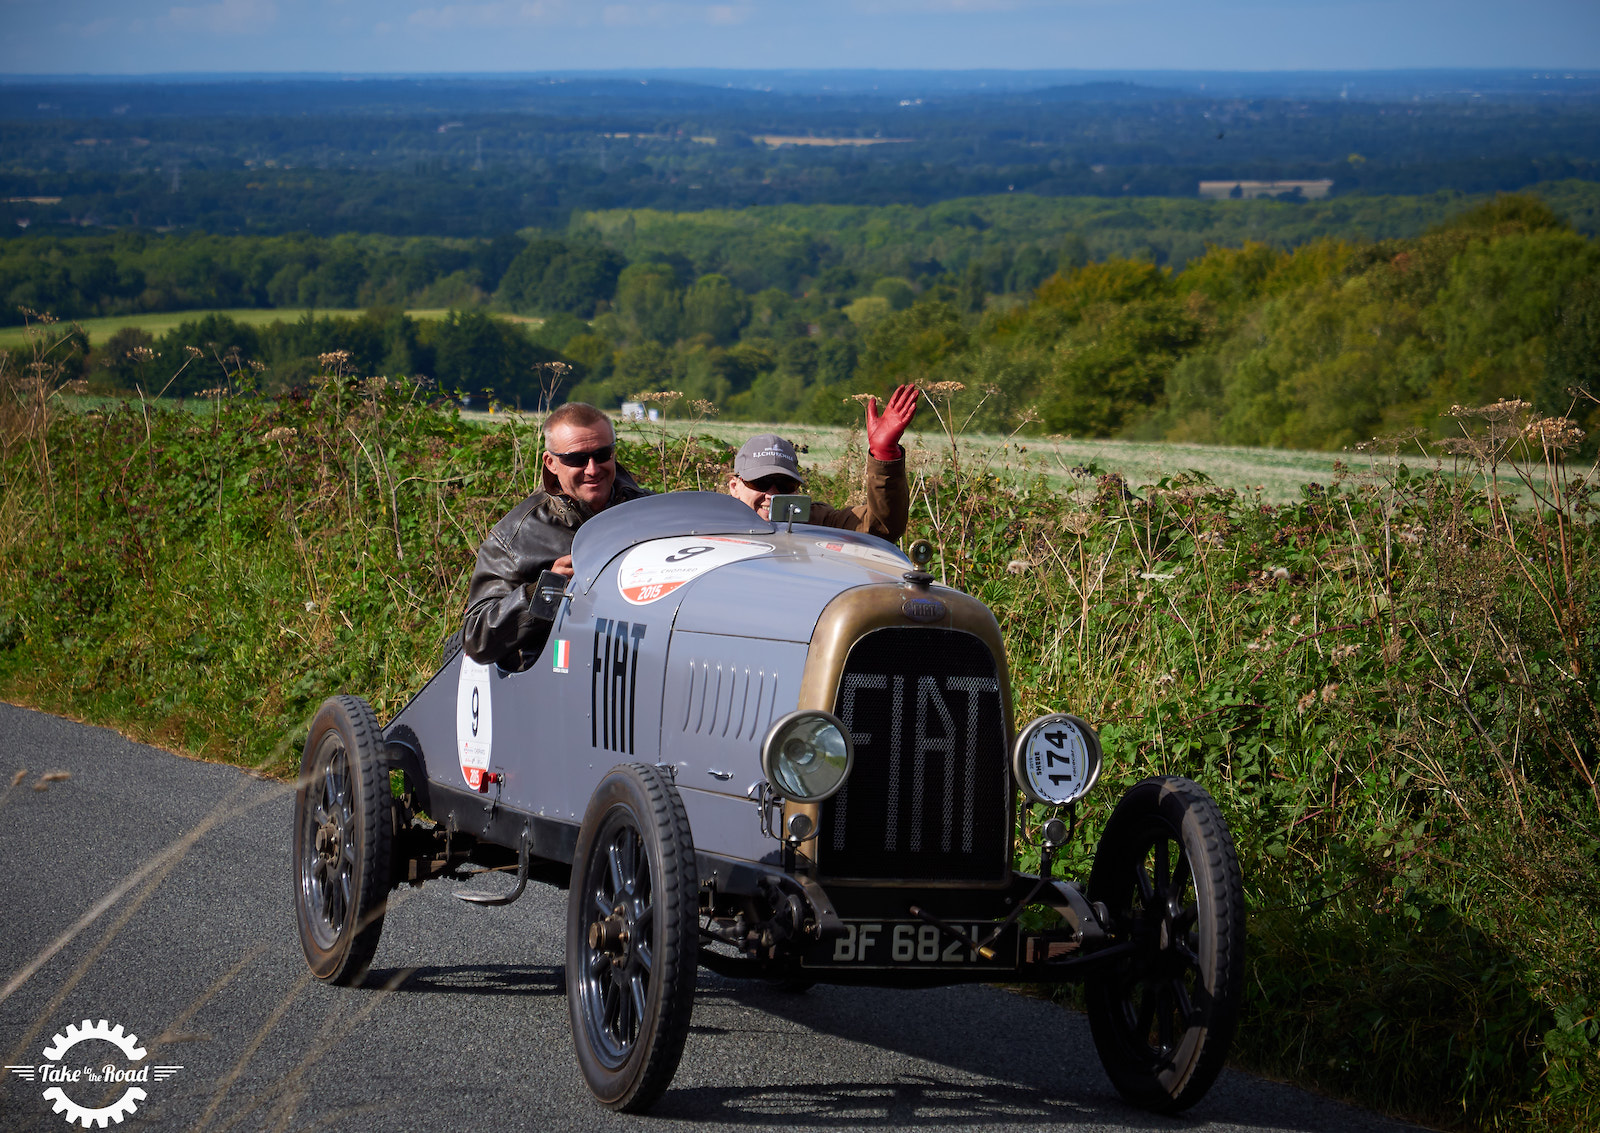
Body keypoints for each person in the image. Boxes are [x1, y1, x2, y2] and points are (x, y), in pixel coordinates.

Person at [461, 402, 649, 667]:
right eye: (576, 459)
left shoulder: (650, 513)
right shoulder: (514, 536)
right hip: (558, 677)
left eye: (603, 454)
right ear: (551, 463)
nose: (593, 469)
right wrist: (545, 590)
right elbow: (476, 637)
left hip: (641, 664)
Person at [727, 383, 919, 540]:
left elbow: (880, 527)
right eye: (760, 482)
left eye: (785, 485)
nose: (772, 494)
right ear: (734, 486)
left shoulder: (818, 524)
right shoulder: (711, 525)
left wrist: (884, 455)